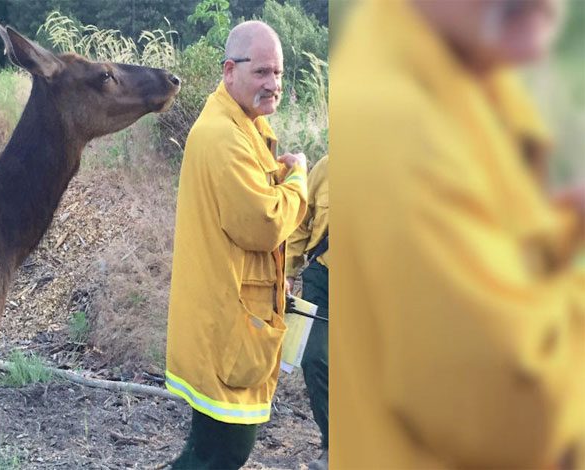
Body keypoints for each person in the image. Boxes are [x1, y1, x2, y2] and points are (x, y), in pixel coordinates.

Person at [331, 0, 585, 468]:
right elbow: (509, 395)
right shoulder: (395, 120)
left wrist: (565, 228)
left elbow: (499, 245)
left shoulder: (463, 74)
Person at [165, 20, 309, 469]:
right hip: (226, 328)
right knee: (222, 453)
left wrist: (273, 282)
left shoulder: (241, 126)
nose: (273, 84)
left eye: (279, 73)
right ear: (229, 71)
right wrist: (299, 178)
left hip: (229, 318)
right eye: (262, 72)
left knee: (205, 452)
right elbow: (264, 224)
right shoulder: (225, 137)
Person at [285, 154, 328, 470]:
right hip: (322, 277)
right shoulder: (326, 167)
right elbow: (302, 221)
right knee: (314, 358)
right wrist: (288, 271)